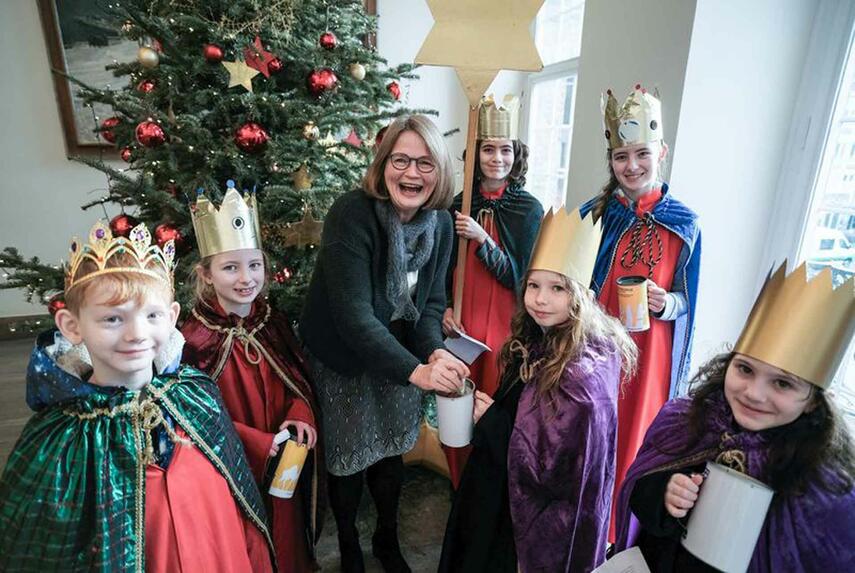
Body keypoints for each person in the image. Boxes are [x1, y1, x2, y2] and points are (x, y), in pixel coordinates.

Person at [0, 221, 274, 571]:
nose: (137, 334)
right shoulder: (61, 437)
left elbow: (241, 503)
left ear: (172, 317)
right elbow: (44, 546)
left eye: (153, 315)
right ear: (72, 326)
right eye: (113, 319)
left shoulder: (193, 393)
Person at [299, 115, 469, 573]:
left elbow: (431, 303)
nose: (411, 174)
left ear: (440, 172)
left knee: (393, 448)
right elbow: (354, 316)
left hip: (398, 351)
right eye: (401, 160)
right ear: (383, 164)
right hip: (342, 353)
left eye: (425, 163)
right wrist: (418, 372)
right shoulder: (352, 214)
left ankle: (387, 540)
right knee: (350, 456)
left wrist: (434, 351)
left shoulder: (441, 224)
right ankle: (350, 544)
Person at [613, 263, 855, 571]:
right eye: (745, 369)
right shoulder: (685, 422)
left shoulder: (823, 483)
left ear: (812, 402)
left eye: (782, 383)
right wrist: (666, 493)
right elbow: (640, 499)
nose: (754, 393)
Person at [439, 208, 637, 572]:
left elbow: (552, 465)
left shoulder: (582, 371)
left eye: (557, 288)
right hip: (498, 484)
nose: (540, 299)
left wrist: (490, 420)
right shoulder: (538, 335)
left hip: (527, 514)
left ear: (581, 296)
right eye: (533, 285)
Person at [579, 84, 701, 538]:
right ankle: (588, 528)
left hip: (650, 354)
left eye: (641, 154)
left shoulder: (684, 222)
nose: (631, 167)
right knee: (597, 434)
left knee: (634, 441)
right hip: (601, 347)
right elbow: (575, 277)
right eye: (620, 157)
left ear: (662, 151)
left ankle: (620, 538)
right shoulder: (597, 213)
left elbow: (689, 297)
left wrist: (667, 302)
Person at [180, 181, 321, 572]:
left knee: (287, 535)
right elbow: (196, 419)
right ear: (205, 274)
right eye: (230, 267)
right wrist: (259, 445)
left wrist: (300, 414)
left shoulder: (271, 322)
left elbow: (299, 378)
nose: (246, 278)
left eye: (254, 265)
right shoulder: (195, 339)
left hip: (284, 464)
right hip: (235, 470)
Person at [442, 94, 544, 486]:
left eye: (505, 150)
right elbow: (443, 270)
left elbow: (521, 280)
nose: (496, 158)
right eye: (488, 149)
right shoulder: (457, 204)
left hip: (505, 329)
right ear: (476, 152)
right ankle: (459, 483)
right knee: (457, 403)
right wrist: (445, 309)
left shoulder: (528, 209)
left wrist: (484, 239)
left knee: (494, 406)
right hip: (462, 327)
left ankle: (492, 485)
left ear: (515, 154)